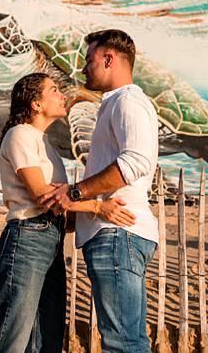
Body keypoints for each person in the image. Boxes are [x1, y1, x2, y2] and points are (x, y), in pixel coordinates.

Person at [0, 72, 136, 353]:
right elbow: (42, 196)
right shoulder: (19, 135)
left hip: (51, 239)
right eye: (54, 90)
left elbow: (61, 206)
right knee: (13, 339)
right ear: (35, 104)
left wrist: (74, 209)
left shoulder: (47, 144)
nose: (63, 95)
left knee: (48, 337)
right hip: (26, 239)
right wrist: (96, 206)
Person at [38, 30, 160, 353]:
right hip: (115, 234)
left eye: (89, 60)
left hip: (118, 234)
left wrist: (76, 193)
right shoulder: (115, 105)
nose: (83, 69)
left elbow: (136, 160)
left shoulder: (128, 101)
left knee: (123, 344)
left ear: (109, 59)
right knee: (126, 339)